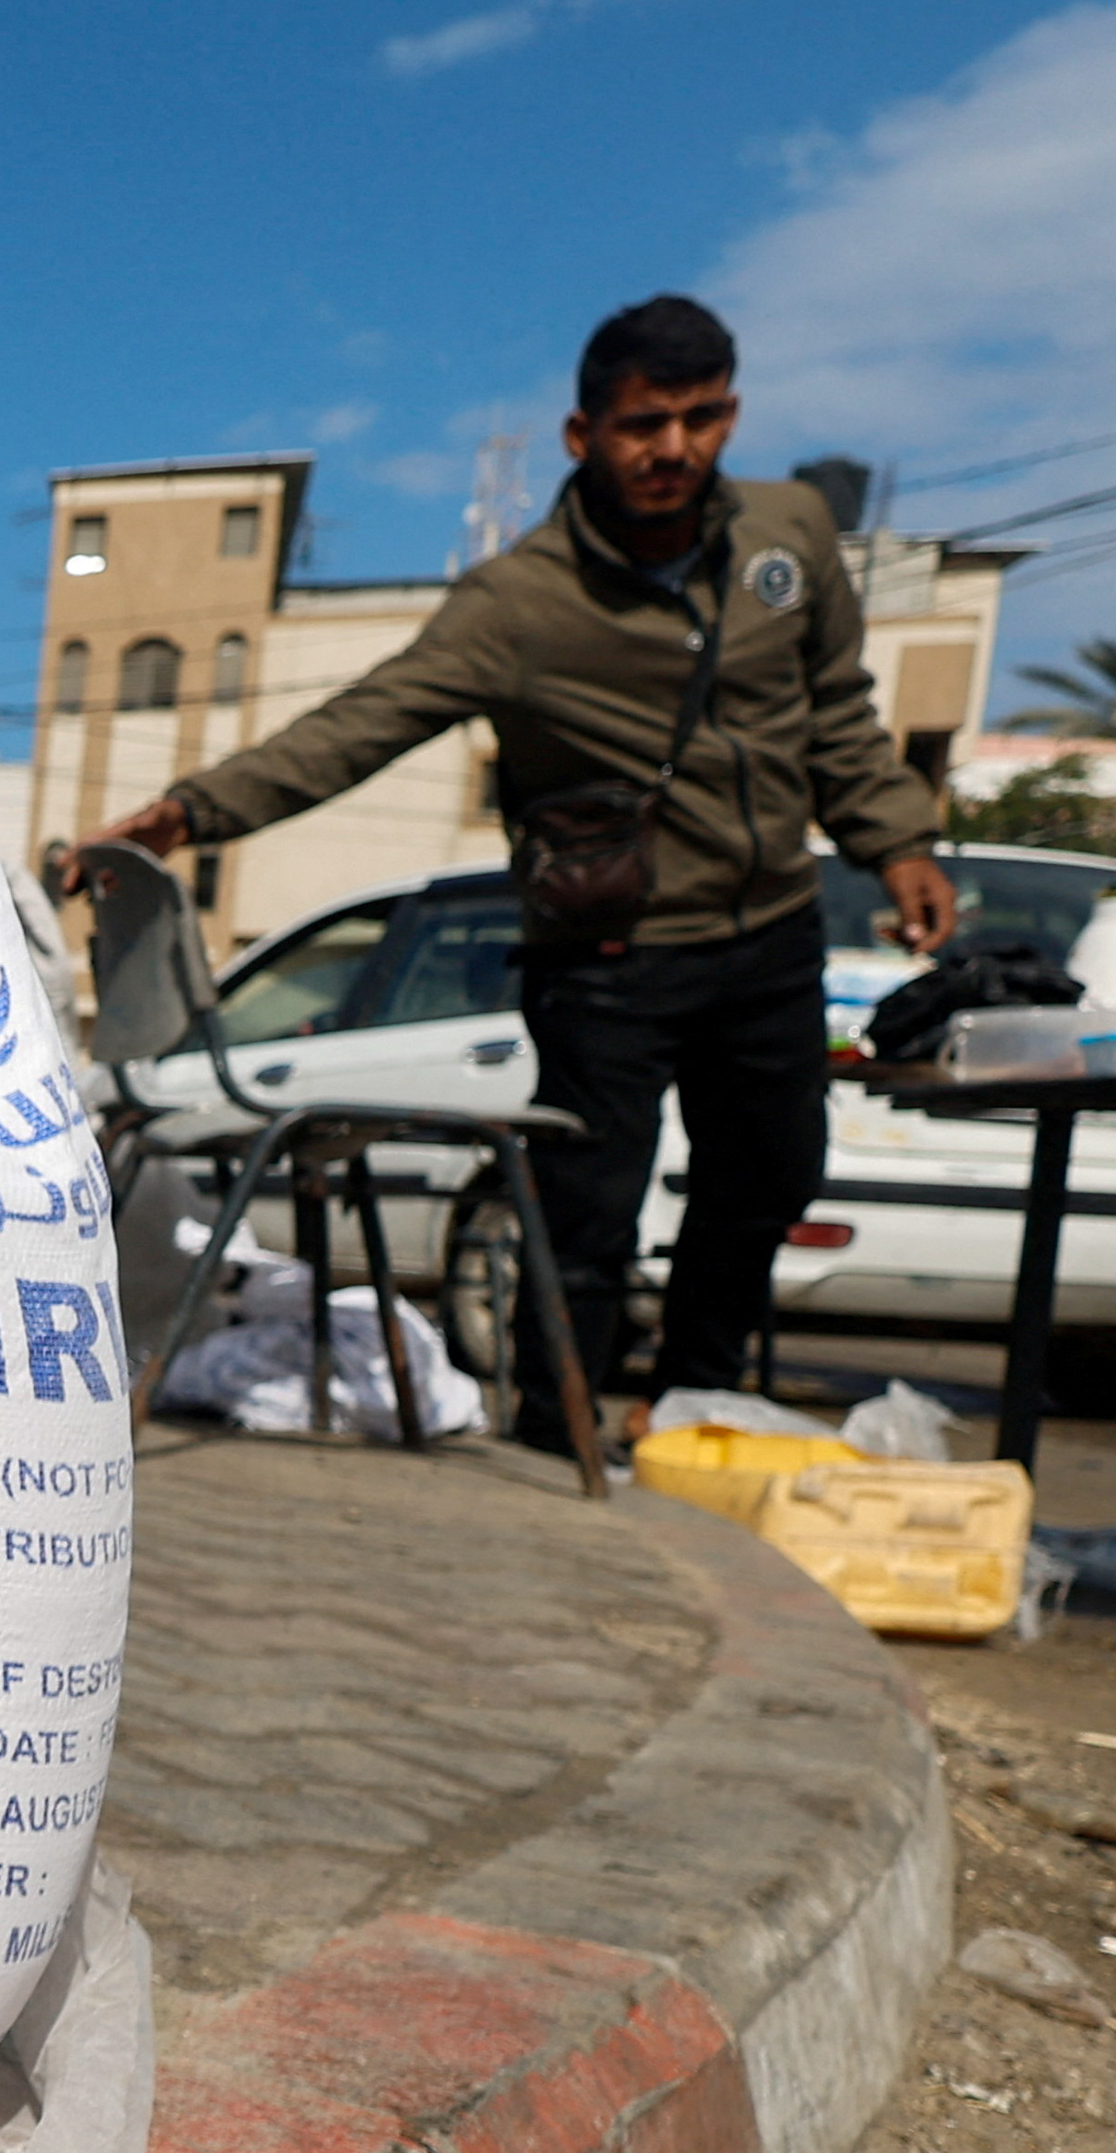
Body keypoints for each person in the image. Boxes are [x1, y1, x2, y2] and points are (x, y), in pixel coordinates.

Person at [81, 295, 957, 1439]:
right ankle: (560, 1429)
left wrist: (896, 845)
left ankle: (698, 1402)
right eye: (645, 425)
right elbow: (362, 724)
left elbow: (836, 714)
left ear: (731, 414)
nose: (674, 450)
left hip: (770, 929)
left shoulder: (785, 541)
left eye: (700, 420)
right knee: (585, 1205)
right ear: (583, 435)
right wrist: (196, 810)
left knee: (770, 1176)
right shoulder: (517, 604)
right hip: (609, 953)